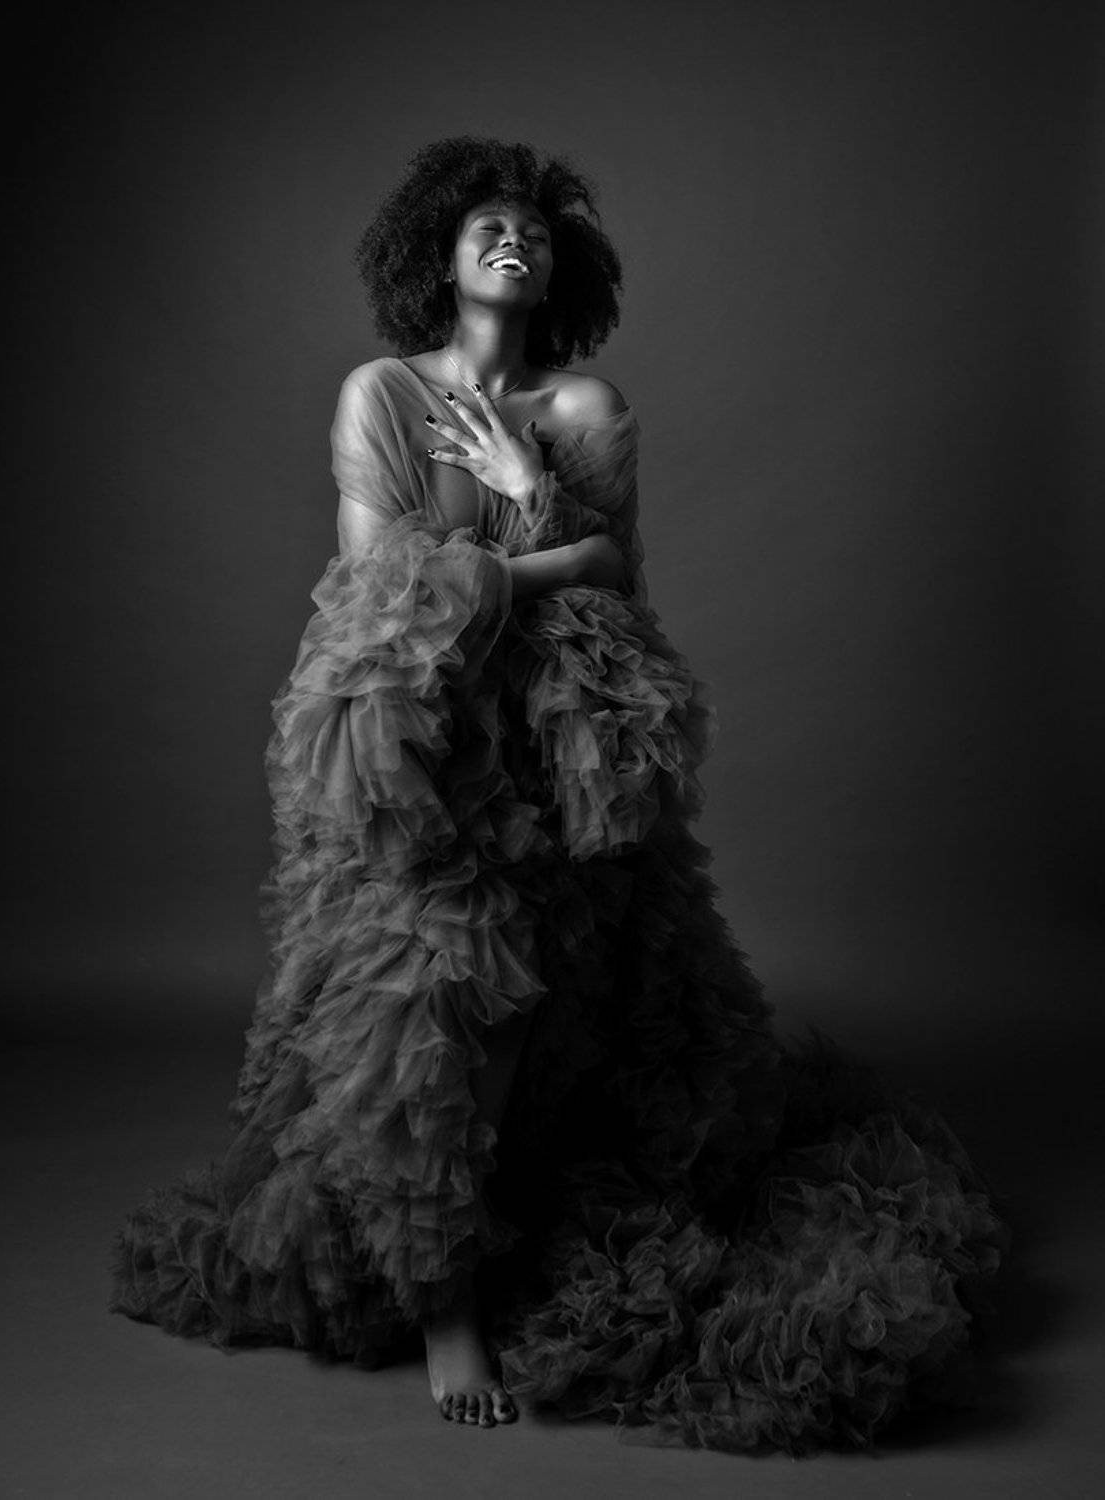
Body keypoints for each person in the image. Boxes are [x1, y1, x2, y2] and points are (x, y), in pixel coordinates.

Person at [112, 137, 1007, 1451]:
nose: (513, 238)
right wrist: (542, 552)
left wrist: (528, 493)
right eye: (486, 223)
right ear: (437, 255)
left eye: (535, 230)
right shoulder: (382, 396)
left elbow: (618, 583)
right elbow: (380, 593)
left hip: (559, 738)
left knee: (535, 1009)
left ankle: (488, 1246)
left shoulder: (585, 408)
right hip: (415, 733)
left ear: (562, 270)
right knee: (426, 998)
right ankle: (444, 1298)